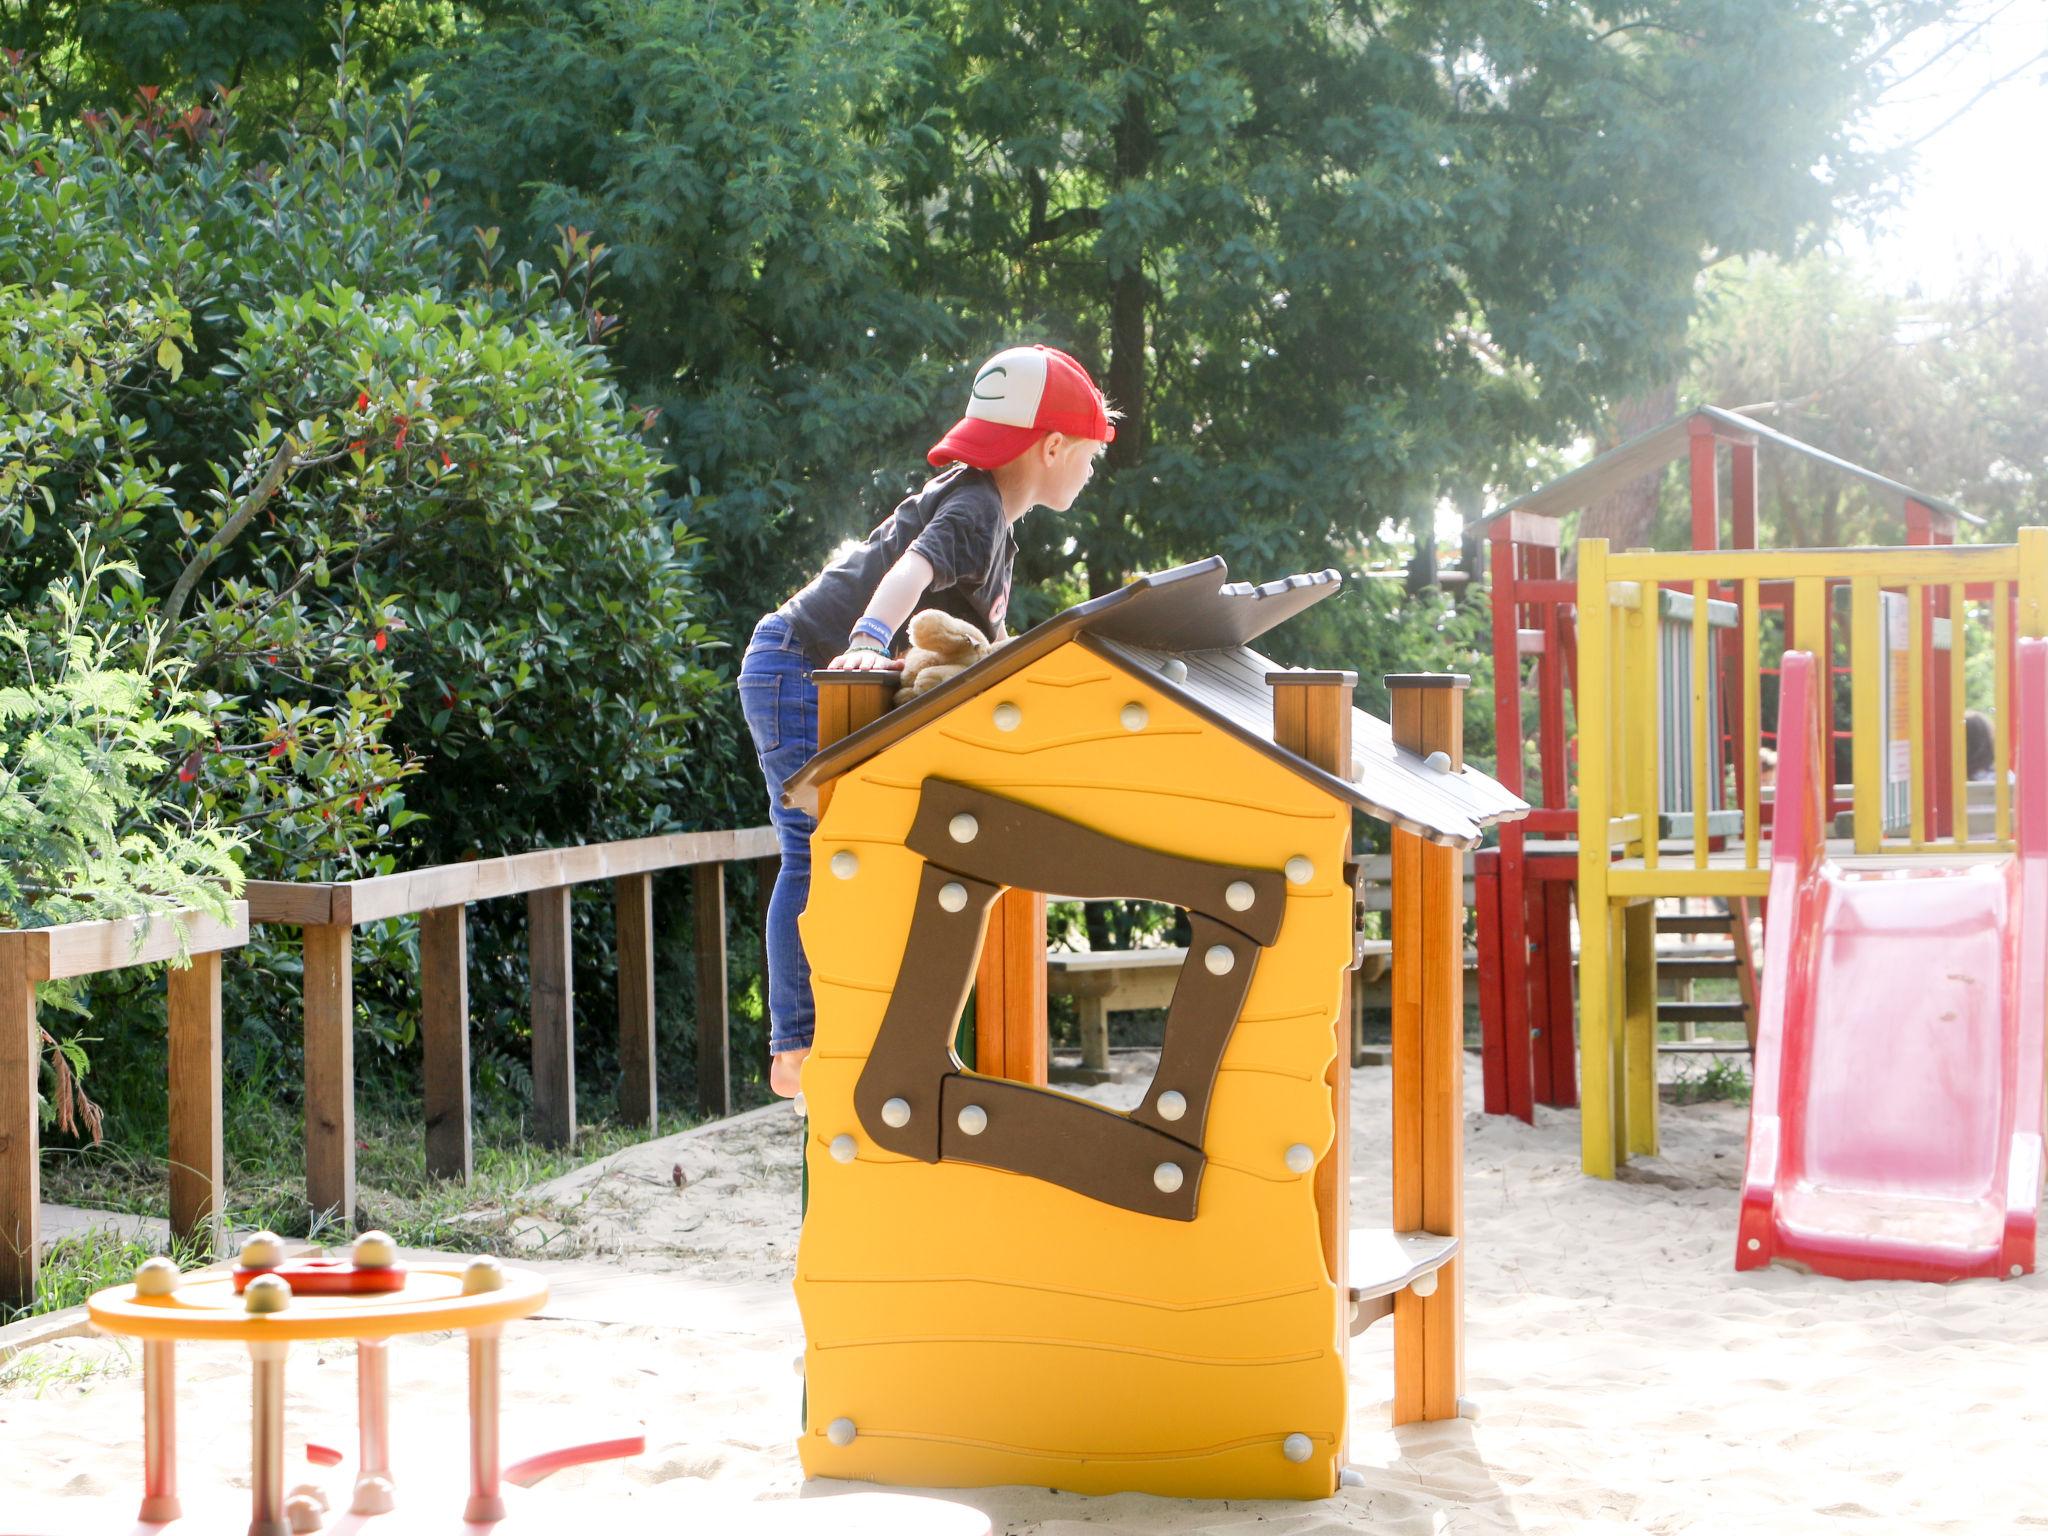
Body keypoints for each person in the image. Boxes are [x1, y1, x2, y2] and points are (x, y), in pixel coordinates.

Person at [738, 345, 1117, 1098]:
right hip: (799, 667)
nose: (1090, 471)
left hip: (803, 664)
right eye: (1089, 455)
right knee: (816, 845)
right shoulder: (976, 507)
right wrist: (867, 641)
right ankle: (796, 1045)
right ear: (1050, 447)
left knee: (846, 843)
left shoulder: (991, 520)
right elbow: (908, 572)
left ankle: (837, 1023)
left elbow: (982, 645)